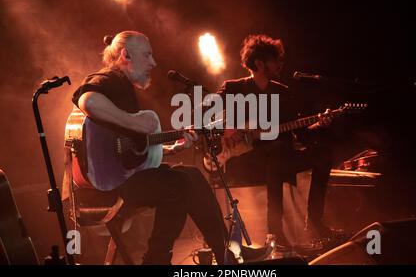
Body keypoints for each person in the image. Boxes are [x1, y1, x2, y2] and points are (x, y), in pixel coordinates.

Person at [71, 31, 269, 264]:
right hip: (107, 185)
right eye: (147, 55)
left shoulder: (125, 87)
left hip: (125, 175)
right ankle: (158, 260)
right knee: (178, 185)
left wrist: (168, 149)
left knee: (191, 175)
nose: (153, 62)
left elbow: (127, 148)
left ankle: (227, 252)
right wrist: (133, 121)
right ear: (126, 55)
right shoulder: (110, 79)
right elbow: (88, 101)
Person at [217, 34, 339, 250]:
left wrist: (319, 124)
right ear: (259, 63)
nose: (280, 64)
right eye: (276, 60)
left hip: (279, 160)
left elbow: (301, 133)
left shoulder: (282, 93)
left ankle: (314, 221)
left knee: (323, 154)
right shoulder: (234, 89)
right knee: (278, 149)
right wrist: (229, 130)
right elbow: (207, 115)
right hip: (245, 160)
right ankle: (274, 231)